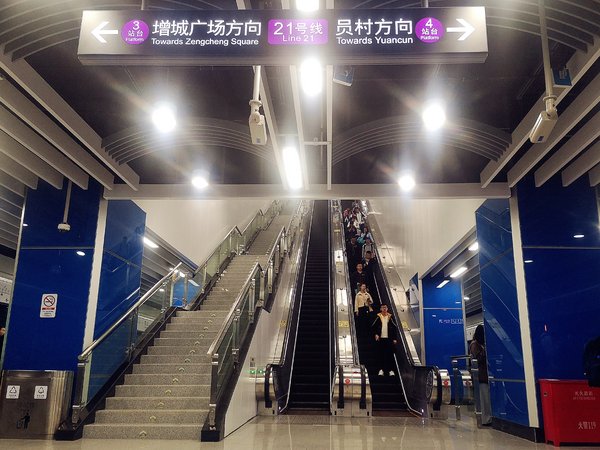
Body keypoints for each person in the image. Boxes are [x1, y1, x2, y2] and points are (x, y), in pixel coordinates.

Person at [470, 325, 492, 426]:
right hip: (481, 376)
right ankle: (485, 419)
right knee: (484, 399)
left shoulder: (482, 344)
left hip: (486, 376)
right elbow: (477, 359)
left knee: (487, 398)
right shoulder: (475, 344)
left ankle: (488, 418)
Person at [372, 304, 398, 376]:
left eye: (385, 307)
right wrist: (376, 334)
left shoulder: (390, 317)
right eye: (383, 307)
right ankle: (381, 370)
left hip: (389, 339)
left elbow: (395, 328)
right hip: (380, 339)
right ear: (380, 309)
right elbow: (373, 327)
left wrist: (394, 338)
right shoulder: (378, 317)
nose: (384, 309)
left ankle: (391, 370)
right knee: (380, 355)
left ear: (387, 309)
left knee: (389, 355)